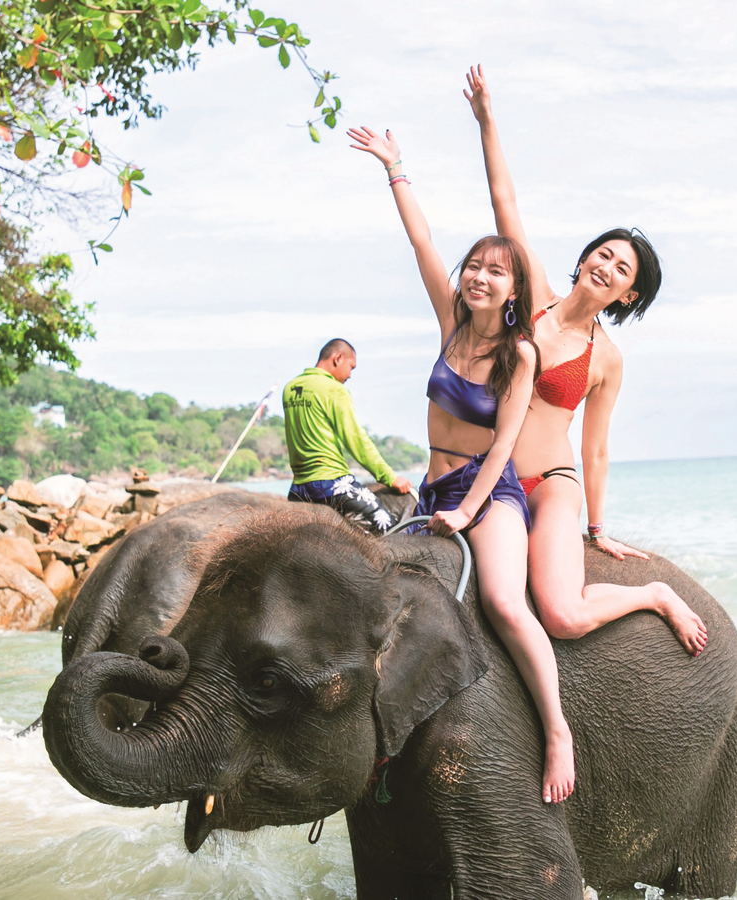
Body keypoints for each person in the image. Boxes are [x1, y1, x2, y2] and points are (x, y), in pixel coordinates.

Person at [348, 124, 576, 804]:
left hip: (491, 493)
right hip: (433, 486)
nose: (479, 275)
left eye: (496, 270)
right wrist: (395, 167)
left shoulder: (521, 353)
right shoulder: (450, 322)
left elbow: (504, 444)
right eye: (474, 265)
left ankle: (558, 729)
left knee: (505, 601)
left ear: (514, 289)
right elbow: (421, 241)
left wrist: (469, 511)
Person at [463, 65, 708, 655]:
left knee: (564, 615)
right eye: (604, 253)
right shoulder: (535, 297)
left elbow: (595, 447)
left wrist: (596, 527)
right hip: (489, 480)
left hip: (549, 486)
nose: (606, 266)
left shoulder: (608, 359)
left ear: (628, 295)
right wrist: (487, 121)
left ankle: (652, 594)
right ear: (585, 258)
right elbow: (505, 202)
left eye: (622, 269)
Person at [283, 338, 412, 534]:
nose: (350, 375)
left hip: (299, 489)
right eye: (351, 367)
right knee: (391, 527)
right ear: (337, 358)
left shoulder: (290, 388)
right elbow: (356, 439)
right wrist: (390, 477)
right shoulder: (334, 389)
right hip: (331, 484)